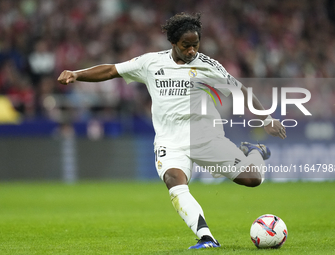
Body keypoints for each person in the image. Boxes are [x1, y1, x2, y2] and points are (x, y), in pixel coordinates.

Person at [57, 12, 286, 249]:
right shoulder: (151, 63)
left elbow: (242, 91)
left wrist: (266, 118)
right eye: (186, 46)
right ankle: (206, 238)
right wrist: (77, 74)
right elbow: (112, 70)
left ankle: (255, 151)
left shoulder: (208, 66)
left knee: (252, 179)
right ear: (173, 43)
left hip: (205, 137)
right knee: (174, 180)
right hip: (169, 140)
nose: (191, 51)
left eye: (195, 45)